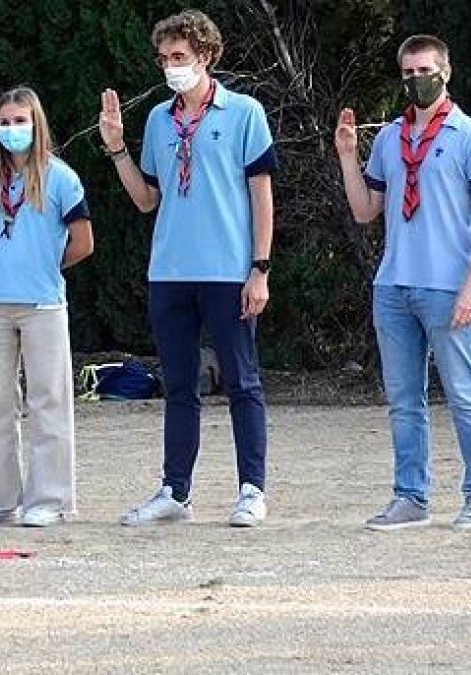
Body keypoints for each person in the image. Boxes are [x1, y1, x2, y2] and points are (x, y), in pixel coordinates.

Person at [98, 9, 276, 527]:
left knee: (242, 381)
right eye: (164, 58)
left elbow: (262, 196)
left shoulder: (244, 112)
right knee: (178, 385)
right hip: (170, 271)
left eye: (180, 57)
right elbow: (146, 199)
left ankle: (251, 490)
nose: (171, 66)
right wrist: (115, 149)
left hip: (228, 271)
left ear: (206, 55)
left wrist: (260, 268)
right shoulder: (158, 119)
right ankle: (175, 491)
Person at [336, 34, 471, 531]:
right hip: (394, 286)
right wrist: (346, 155)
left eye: (425, 70)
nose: (417, 80)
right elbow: (365, 211)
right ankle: (410, 497)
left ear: (446, 71)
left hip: (448, 286)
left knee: (463, 394)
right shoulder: (388, 139)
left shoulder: (470, 135)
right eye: (408, 73)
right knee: (404, 400)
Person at [0, 87, 93, 527]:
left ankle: (51, 500)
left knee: (49, 400)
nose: (12, 130)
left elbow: (83, 242)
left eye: (20, 121)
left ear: (37, 124)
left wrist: (46, 265)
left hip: (43, 304)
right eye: (4, 123)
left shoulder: (60, 177)